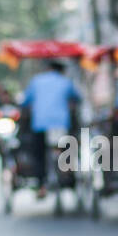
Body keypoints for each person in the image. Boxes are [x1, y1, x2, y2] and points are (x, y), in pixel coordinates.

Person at [20, 60, 79, 197]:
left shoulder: (36, 81)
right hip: (60, 124)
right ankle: (66, 171)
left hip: (39, 124)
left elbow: (25, 101)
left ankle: (41, 185)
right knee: (64, 148)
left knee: (39, 154)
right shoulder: (66, 82)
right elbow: (77, 98)